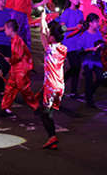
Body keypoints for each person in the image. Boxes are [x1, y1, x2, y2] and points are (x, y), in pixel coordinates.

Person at [39, 14, 68, 149]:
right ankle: (51, 138)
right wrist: (44, 21)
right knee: (48, 111)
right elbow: (45, 34)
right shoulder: (62, 49)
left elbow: (42, 34)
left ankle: (52, 137)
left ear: (52, 37)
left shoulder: (50, 49)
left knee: (44, 113)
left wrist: (42, 19)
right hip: (60, 86)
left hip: (50, 86)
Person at [1, 19, 39, 115]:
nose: (4, 31)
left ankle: (36, 106)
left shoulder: (17, 41)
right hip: (16, 69)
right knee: (9, 88)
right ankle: (5, 108)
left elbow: (17, 56)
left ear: (10, 29)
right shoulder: (15, 40)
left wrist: (9, 60)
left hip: (21, 69)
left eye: (5, 29)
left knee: (24, 90)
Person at [77, 13, 106, 108]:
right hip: (87, 60)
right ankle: (89, 100)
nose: (98, 24)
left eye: (98, 21)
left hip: (96, 60)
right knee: (88, 80)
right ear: (90, 23)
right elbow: (79, 49)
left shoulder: (98, 33)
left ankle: (89, 92)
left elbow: (101, 42)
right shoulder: (84, 35)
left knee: (100, 78)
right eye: (95, 22)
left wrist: (102, 46)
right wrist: (90, 49)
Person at [59, 0, 84, 97]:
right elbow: (63, 28)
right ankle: (61, 83)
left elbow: (82, 26)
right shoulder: (66, 12)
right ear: (70, 0)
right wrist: (74, 28)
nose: (78, 0)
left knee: (77, 68)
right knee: (74, 66)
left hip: (78, 44)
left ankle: (74, 91)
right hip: (69, 43)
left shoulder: (80, 13)